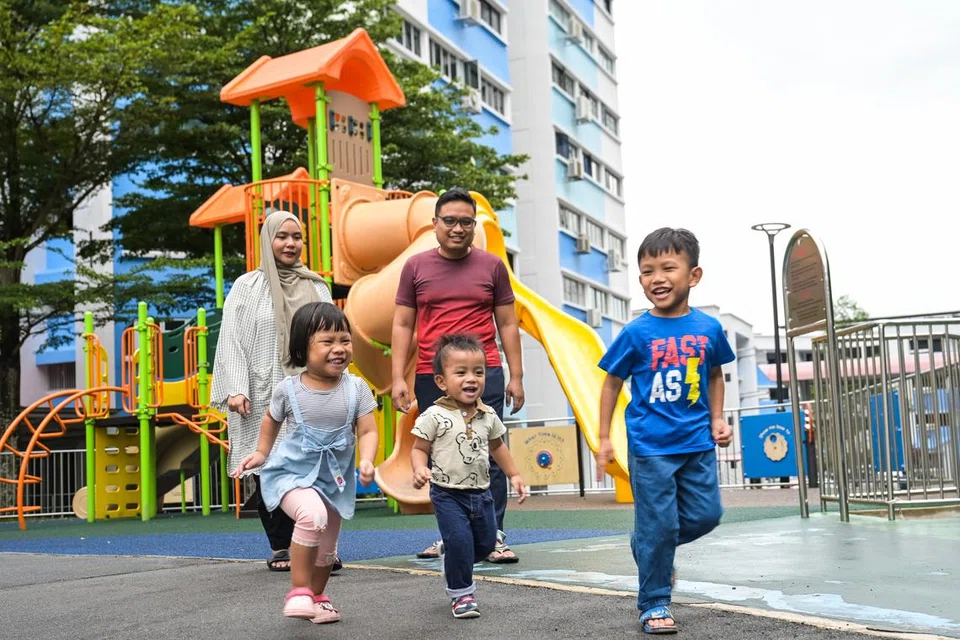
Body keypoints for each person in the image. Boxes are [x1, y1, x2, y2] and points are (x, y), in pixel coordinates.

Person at [595, 228, 735, 635]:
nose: (656, 277)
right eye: (646, 271)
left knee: (706, 516)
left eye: (667, 268)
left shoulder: (709, 328)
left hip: (697, 443)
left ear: (694, 275)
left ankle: (647, 546)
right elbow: (610, 383)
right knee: (659, 526)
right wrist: (604, 438)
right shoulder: (636, 333)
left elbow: (714, 375)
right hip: (650, 446)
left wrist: (717, 418)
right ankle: (655, 602)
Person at [391, 188, 525, 563]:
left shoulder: (493, 266)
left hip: (486, 373)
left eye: (466, 221)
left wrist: (516, 375)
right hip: (431, 375)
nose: (458, 228)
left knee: (490, 450)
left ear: (474, 225)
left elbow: (508, 322)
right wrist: (398, 378)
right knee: (440, 456)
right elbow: (402, 324)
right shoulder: (415, 268)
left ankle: (494, 535)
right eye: (449, 220)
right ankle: (450, 536)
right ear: (434, 224)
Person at [230, 302, 378, 624]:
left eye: (345, 340)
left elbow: (367, 430)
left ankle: (319, 597)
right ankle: (298, 590)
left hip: (333, 481)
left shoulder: (357, 389)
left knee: (327, 549)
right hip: (291, 475)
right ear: (302, 347)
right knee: (312, 516)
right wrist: (261, 453)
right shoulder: (289, 389)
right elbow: (271, 419)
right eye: (328, 341)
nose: (339, 349)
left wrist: (366, 460)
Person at [211, 211, 335, 572]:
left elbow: (333, 340)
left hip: (311, 394)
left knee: (314, 468)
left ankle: (319, 546)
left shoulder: (318, 286)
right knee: (271, 466)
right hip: (263, 392)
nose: (291, 244)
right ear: (268, 240)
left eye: (297, 237)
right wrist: (234, 388)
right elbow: (230, 339)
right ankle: (282, 546)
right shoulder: (247, 286)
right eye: (282, 237)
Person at [410, 334, 528, 619]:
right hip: (447, 493)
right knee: (461, 541)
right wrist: (419, 467)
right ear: (441, 381)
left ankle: (452, 553)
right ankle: (462, 594)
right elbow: (418, 448)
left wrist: (515, 475)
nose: (471, 379)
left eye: (478, 371)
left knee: (486, 544)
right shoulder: (434, 415)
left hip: (481, 493)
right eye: (460, 372)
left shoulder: (487, 415)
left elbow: (498, 446)